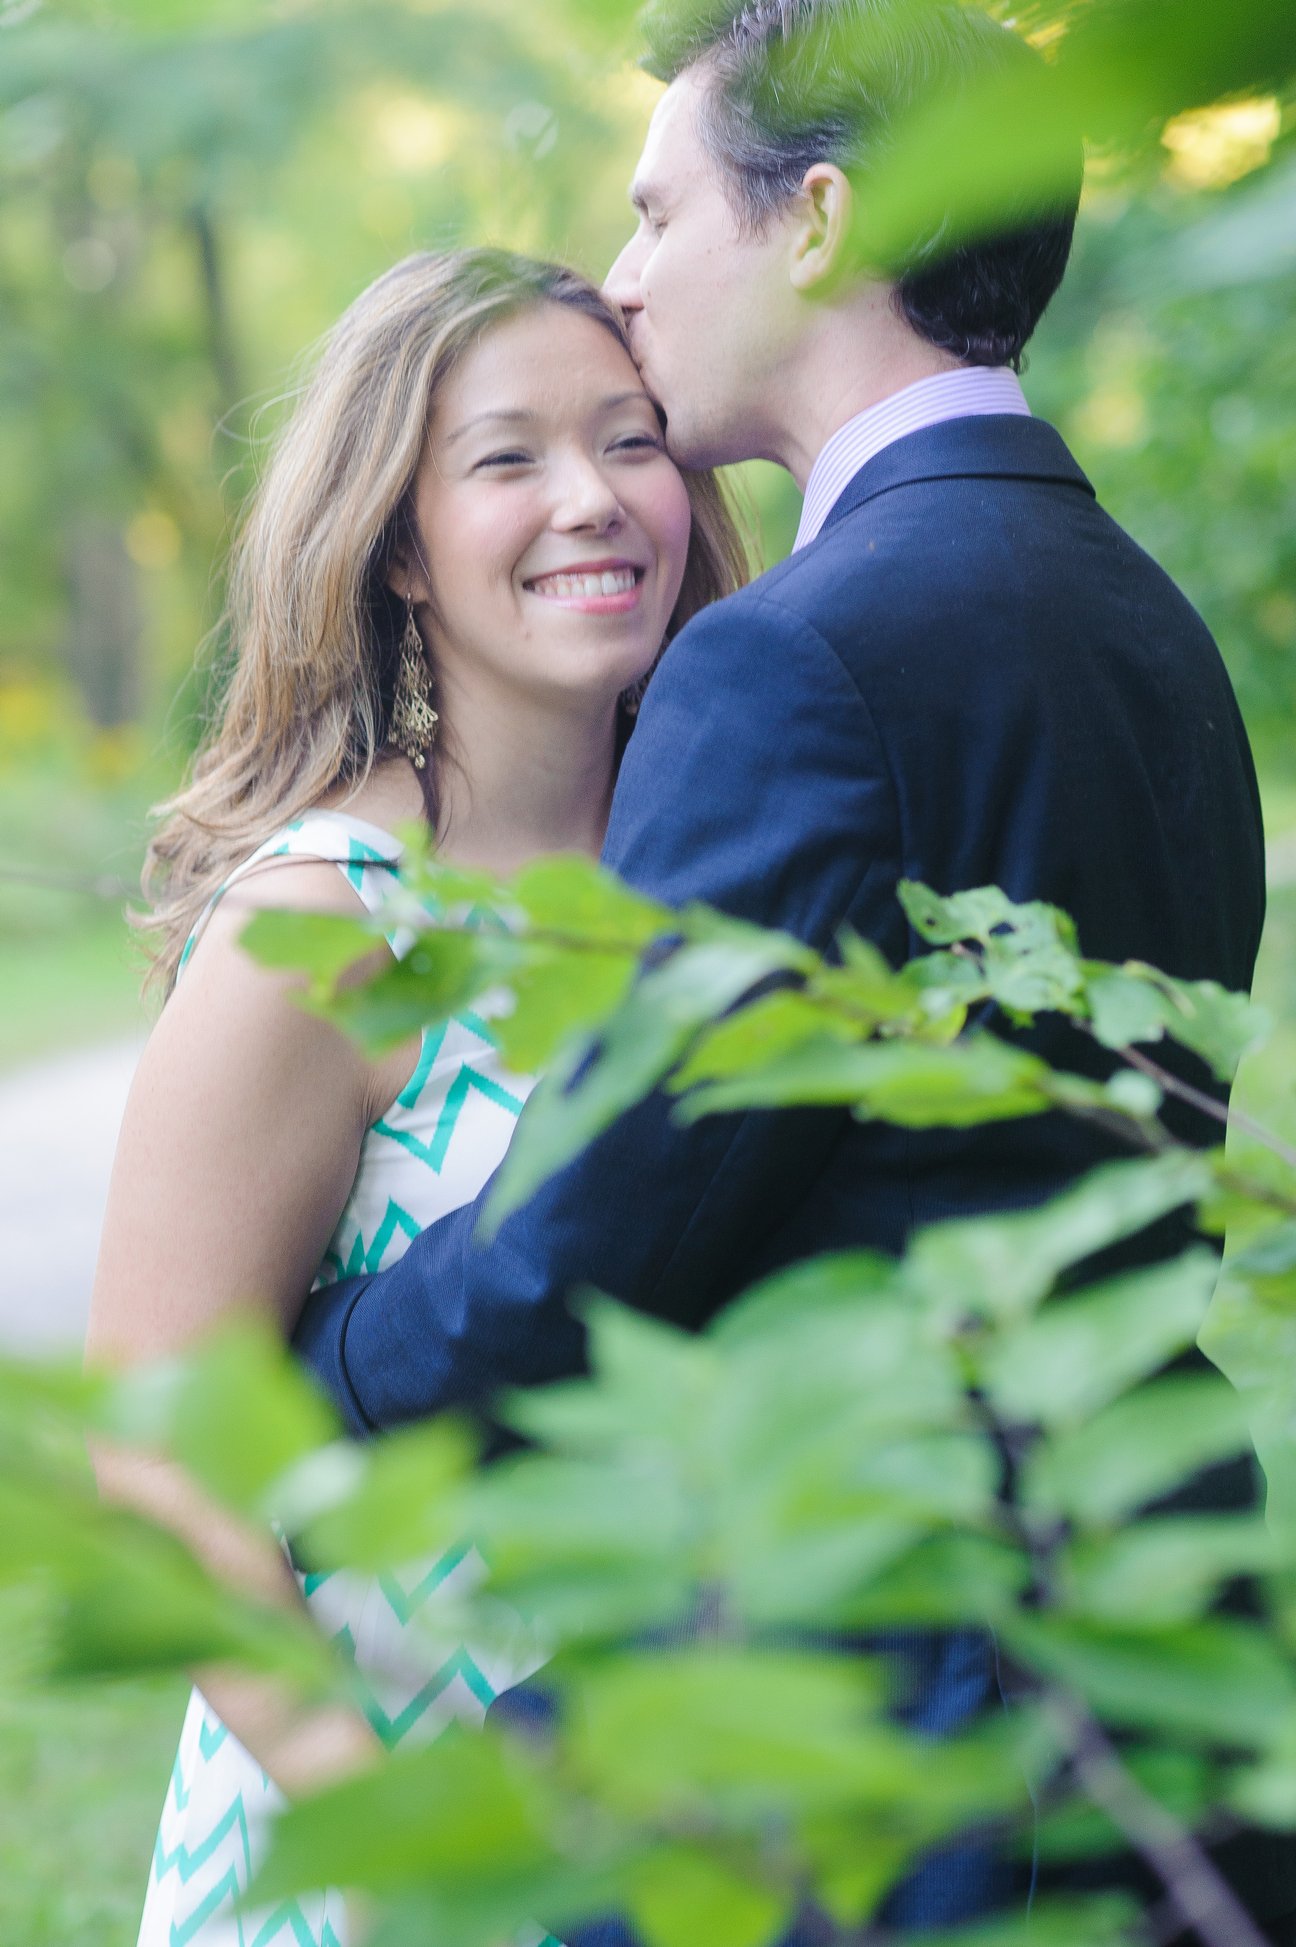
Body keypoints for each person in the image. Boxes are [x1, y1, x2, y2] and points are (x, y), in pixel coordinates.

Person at [291, 2, 1267, 1939]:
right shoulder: (1155, 627)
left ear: (817, 220)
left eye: (660, 215)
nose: (629, 278)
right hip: (1174, 1642)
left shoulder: (793, 656)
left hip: (884, 1707)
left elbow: (595, 1227)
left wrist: (330, 1357)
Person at [84, 246, 747, 1947]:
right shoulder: (331, 917)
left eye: (633, 441)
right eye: (508, 457)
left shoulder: (732, 881)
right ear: (395, 545)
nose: (592, 501)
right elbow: (165, 1472)